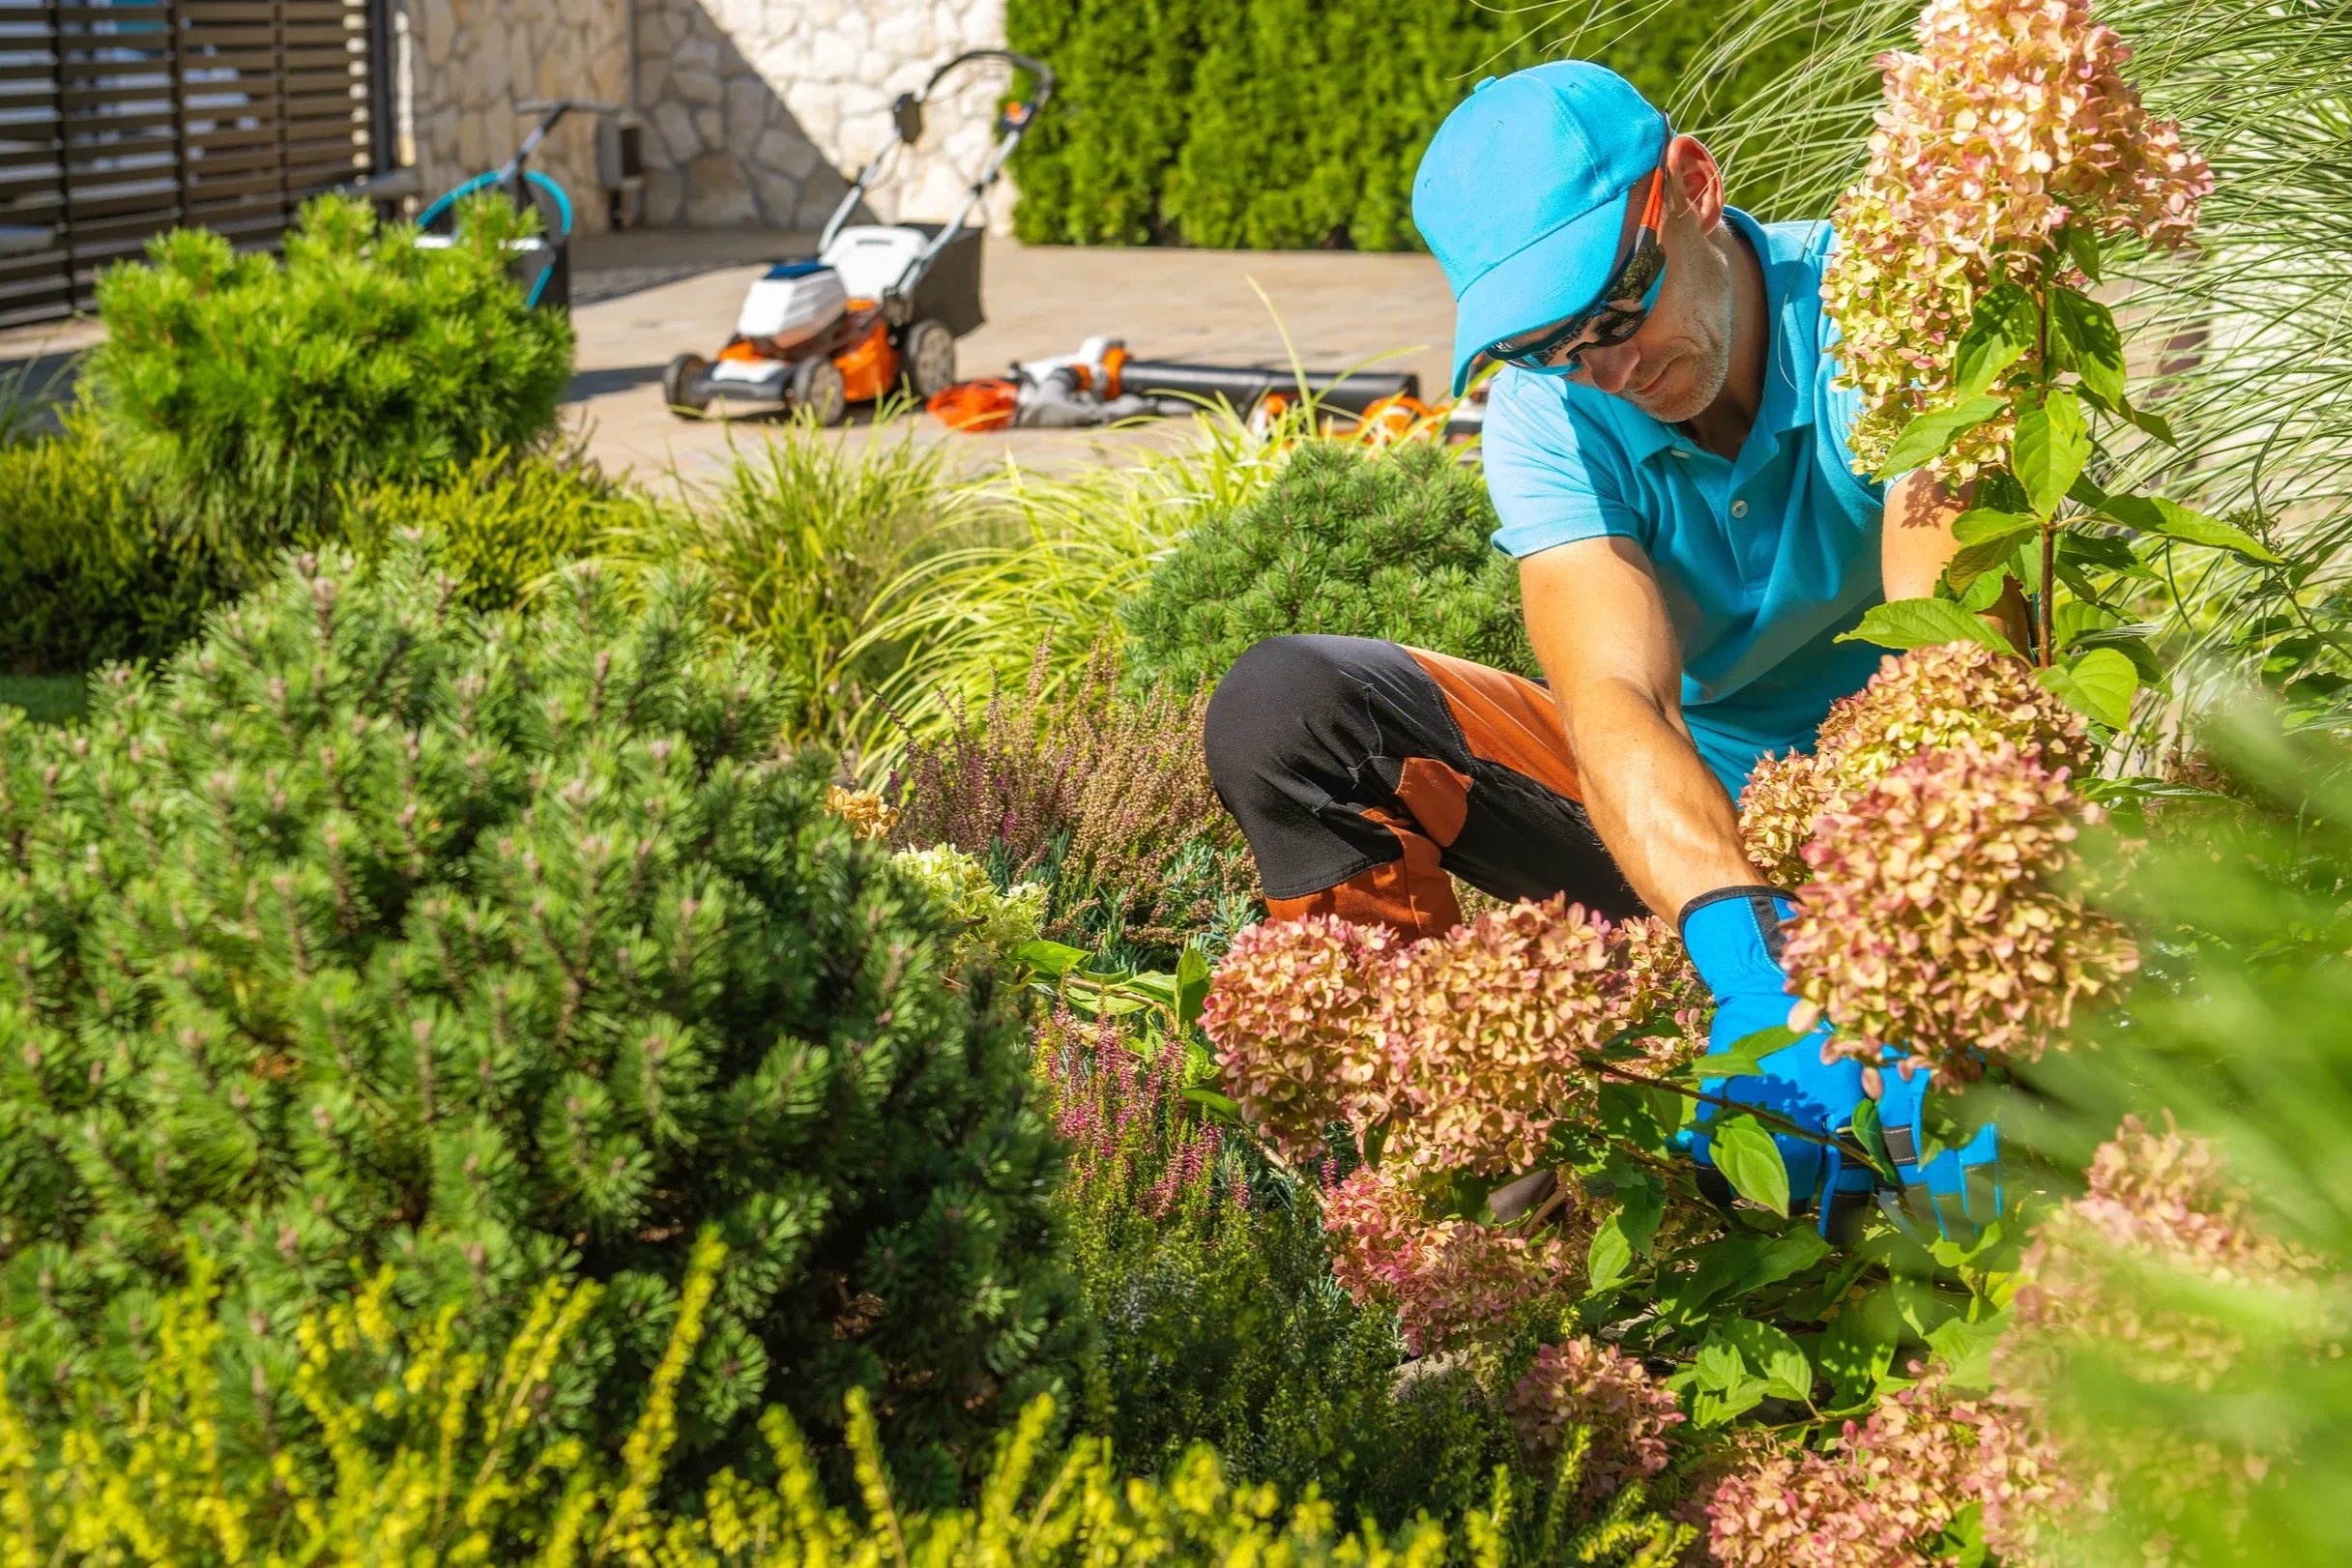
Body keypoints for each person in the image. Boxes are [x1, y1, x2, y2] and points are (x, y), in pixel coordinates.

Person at [1203, 63, 2013, 1241]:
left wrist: (1888, 952)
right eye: (1556, 344)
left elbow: (1956, 668)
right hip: (1681, 849)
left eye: (1621, 309)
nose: (1612, 370)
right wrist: (1748, 961)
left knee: (1960, 1208)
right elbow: (1617, 699)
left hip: (1911, 829)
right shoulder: (1555, 410)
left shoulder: (1881, 319)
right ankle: (1434, 1181)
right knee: (1290, 708)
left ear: (1691, 185)